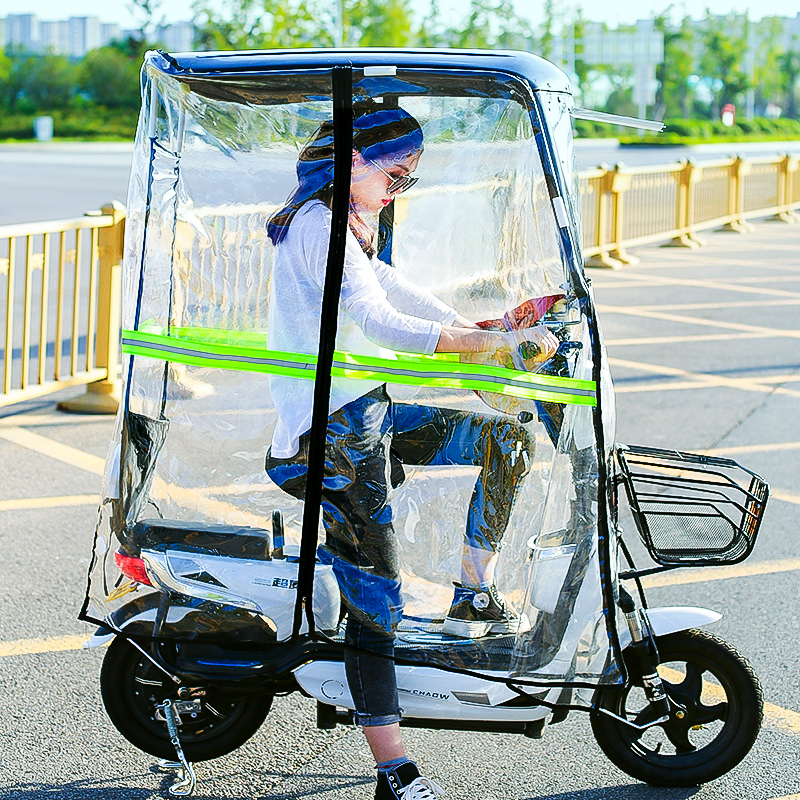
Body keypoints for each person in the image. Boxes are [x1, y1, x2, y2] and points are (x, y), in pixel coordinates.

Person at [265, 102, 558, 800]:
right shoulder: (320, 227)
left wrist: (482, 327)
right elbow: (380, 320)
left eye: (410, 179)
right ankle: (393, 769)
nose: (401, 186)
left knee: (506, 439)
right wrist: (491, 344)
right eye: (396, 172)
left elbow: (403, 295)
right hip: (333, 436)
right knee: (377, 593)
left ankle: (470, 590)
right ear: (351, 157)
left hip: (369, 414)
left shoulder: (351, 226)